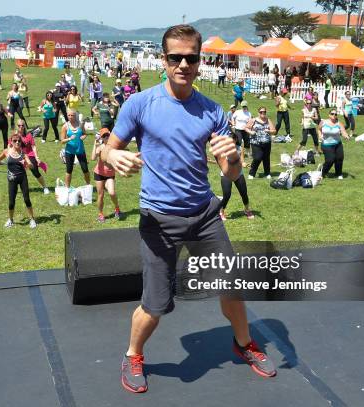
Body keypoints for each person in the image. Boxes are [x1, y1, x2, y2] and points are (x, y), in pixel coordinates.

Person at [101, 25, 276, 394]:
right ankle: (133, 354)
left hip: (204, 215)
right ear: (163, 60)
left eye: (191, 57)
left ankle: (243, 344)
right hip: (159, 220)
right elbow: (105, 150)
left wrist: (233, 161)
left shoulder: (212, 110)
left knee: (232, 287)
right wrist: (113, 154)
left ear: (200, 61)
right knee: (155, 305)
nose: (183, 64)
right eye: (175, 57)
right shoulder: (140, 104)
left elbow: (230, 171)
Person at [0, 135, 37, 229]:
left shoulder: (23, 153)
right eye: (15, 141)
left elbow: (30, 164)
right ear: (11, 142)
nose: (17, 142)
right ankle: (11, 220)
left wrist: (29, 164)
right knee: (11, 202)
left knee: (26, 199)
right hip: (12, 179)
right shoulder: (7, 152)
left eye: (19, 141)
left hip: (22, 178)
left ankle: (32, 219)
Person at [91, 128, 121, 223]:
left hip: (110, 175)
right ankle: (101, 214)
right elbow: (92, 158)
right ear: (101, 138)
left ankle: (117, 209)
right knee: (101, 195)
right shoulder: (100, 147)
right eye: (104, 136)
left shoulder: (114, 146)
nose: (106, 137)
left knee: (112, 192)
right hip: (99, 174)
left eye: (108, 135)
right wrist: (95, 145)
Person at [16, 119, 49, 194]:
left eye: (22, 125)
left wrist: (36, 157)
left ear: (24, 126)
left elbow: (33, 146)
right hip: (19, 156)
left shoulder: (28, 135)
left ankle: (45, 187)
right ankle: (18, 188)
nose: (21, 127)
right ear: (17, 126)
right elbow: (11, 146)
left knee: (36, 172)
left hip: (30, 155)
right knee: (18, 173)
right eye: (19, 126)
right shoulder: (15, 135)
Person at [61, 109, 91, 187]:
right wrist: (69, 139)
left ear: (75, 116)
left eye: (72, 115)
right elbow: (62, 141)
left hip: (80, 150)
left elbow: (84, 134)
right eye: (69, 115)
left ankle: (88, 186)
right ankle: (67, 188)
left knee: (85, 169)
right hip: (69, 151)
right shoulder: (65, 126)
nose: (70, 117)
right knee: (69, 170)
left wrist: (83, 137)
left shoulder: (80, 124)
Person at [319, 109, 351, 178]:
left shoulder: (339, 123)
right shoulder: (323, 122)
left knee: (339, 158)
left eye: (335, 114)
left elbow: (343, 131)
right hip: (326, 144)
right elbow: (318, 129)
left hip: (337, 144)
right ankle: (322, 172)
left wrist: (346, 136)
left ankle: (338, 174)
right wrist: (320, 136)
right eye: (332, 114)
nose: (334, 115)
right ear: (329, 115)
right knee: (330, 160)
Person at [246, 106, 275, 180]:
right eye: (261, 112)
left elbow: (274, 131)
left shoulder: (268, 120)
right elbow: (246, 128)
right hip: (256, 142)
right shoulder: (253, 120)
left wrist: (269, 131)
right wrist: (251, 132)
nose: (263, 113)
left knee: (266, 158)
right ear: (258, 112)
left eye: (264, 112)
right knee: (257, 158)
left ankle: (267, 173)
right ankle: (251, 173)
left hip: (267, 142)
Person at [231, 100, 252, 167]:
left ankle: (248, 153)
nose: (244, 107)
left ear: (247, 106)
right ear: (241, 106)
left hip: (245, 130)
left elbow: (250, 121)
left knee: (247, 141)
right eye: (243, 106)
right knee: (239, 141)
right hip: (238, 129)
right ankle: (238, 154)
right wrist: (233, 123)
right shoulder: (237, 112)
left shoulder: (249, 113)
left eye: (245, 106)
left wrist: (248, 126)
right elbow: (232, 117)